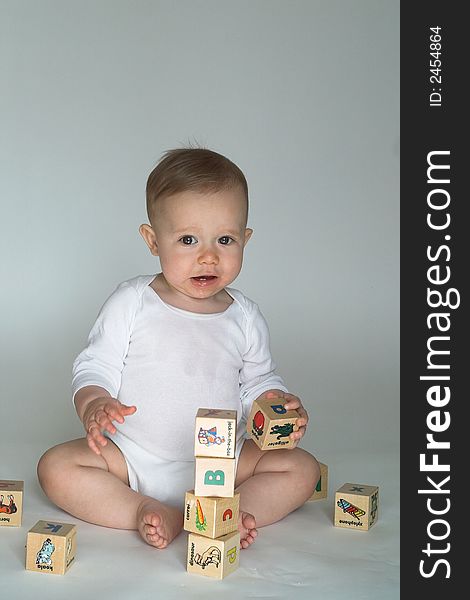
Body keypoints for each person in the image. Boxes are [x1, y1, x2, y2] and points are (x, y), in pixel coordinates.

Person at [37, 148, 320, 550]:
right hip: (133, 456)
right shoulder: (133, 301)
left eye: (225, 239)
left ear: (246, 239)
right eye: (187, 239)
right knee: (57, 467)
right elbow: (94, 366)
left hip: (224, 461)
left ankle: (232, 511)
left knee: (300, 468)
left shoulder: (244, 316)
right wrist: (94, 405)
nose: (208, 255)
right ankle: (142, 508)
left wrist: (278, 406)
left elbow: (259, 381)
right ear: (153, 241)